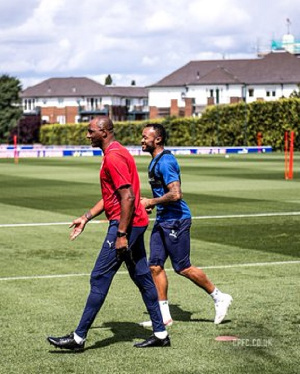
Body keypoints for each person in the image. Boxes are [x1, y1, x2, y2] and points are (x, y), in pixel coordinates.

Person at [47, 117, 170, 351]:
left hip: (126, 225)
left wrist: (121, 233)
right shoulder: (118, 152)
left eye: (90, 131)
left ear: (103, 132)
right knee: (143, 277)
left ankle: (78, 338)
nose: (87, 135)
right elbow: (113, 196)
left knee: (99, 277)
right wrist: (86, 217)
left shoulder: (113, 157)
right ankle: (161, 333)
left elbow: (128, 198)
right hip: (133, 222)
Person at [139, 123, 232, 328]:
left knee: (183, 267)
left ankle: (219, 297)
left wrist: (150, 202)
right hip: (163, 219)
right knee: (154, 266)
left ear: (158, 140)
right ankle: (164, 317)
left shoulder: (166, 162)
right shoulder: (154, 161)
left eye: (146, 137)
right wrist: (153, 204)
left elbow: (176, 194)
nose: (142, 140)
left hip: (177, 220)